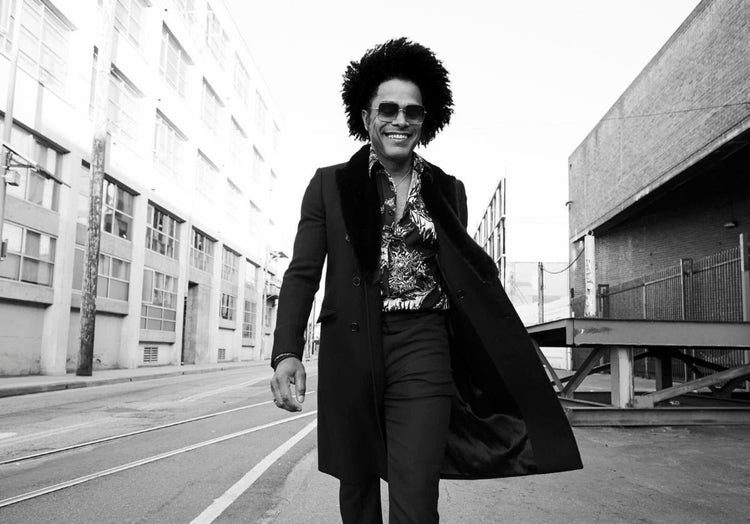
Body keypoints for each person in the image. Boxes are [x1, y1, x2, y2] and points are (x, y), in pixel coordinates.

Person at [270, 37, 582, 524]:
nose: (400, 120)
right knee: (357, 486)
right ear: (366, 116)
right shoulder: (329, 184)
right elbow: (303, 273)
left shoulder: (447, 188)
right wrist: (286, 350)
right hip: (351, 348)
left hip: (424, 344)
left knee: (416, 495)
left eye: (412, 111)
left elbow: (464, 276)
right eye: (388, 109)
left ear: (425, 120)